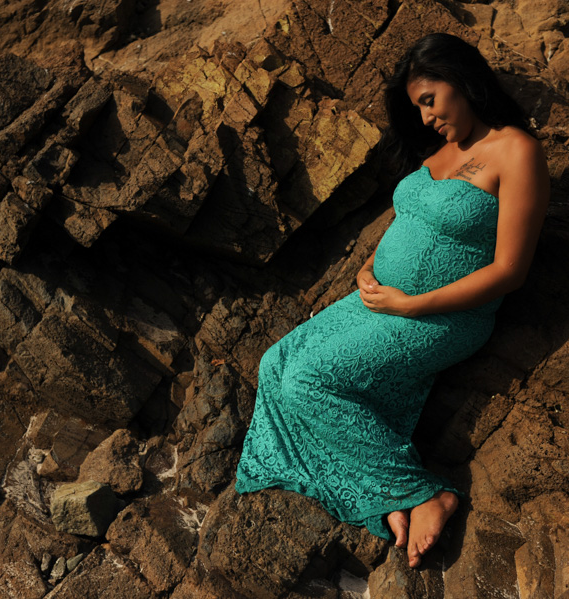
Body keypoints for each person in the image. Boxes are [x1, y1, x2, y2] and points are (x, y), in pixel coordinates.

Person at [235, 32, 549, 569]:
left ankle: (424, 494)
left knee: (311, 381)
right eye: (417, 107)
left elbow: (508, 271)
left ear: (463, 80)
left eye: (430, 100)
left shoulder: (517, 150)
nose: (425, 118)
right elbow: (415, 216)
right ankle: (379, 492)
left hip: (441, 317)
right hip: (379, 299)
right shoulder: (441, 150)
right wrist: (369, 265)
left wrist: (412, 306)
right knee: (275, 365)